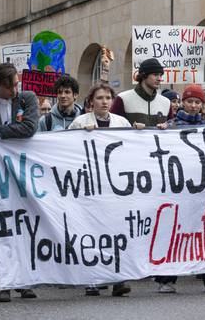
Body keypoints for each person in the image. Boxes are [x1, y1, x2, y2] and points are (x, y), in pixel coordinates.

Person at [0, 63, 40, 303]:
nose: (16, 88)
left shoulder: (27, 99)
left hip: (25, 173)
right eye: (11, 85)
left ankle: (26, 282)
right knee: (3, 228)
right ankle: (5, 282)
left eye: (16, 84)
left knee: (26, 224)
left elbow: (29, 128)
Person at [158, 84, 205, 294]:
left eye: (197, 102)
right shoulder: (171, 125)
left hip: (201, 187)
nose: (194, 105)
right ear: (183, 103)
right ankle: (166, 279)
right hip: (177, 187)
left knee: (201, 232)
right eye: (190, 101)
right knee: (175, 232)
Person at [67, 83, 131, 296]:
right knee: (92, 232)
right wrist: (80, 137)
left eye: (108, 98)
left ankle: (118, 279)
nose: (104, 102)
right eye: (100, 98)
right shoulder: (79, 123)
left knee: (116, 232)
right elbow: (64, 151)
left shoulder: (122, 122)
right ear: (91, 102)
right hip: (89, 187)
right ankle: (92, 280)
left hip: (115, 187)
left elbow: (133, 150)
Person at [110, 58, 173, 129]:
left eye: (160, 75)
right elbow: (112, 127)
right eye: (155, 75)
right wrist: (132, 129)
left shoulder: (166, 102)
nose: (159, 79)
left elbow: (172, 130)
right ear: (144, 75)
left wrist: (168, 126)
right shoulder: (123, 98)